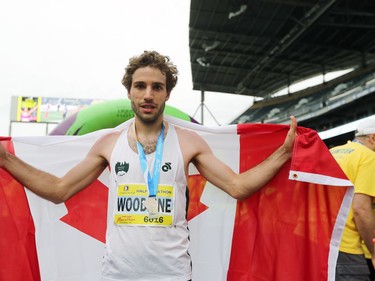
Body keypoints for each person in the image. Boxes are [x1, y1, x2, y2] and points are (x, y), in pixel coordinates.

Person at [0, 50, 297, 281]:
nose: (148, 94)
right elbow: (58, 189)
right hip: (118, 274)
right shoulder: (108, 144)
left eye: (157, 87)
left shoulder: (189, 142)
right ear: (129, 92)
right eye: (140, 86)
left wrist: (283, 154)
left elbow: (238, 186)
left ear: (167, 94)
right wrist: (6, 159)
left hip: (173, 274)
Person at [330, 119, 375, 281]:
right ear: (373, 138)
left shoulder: (333, 152)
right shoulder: (369, 157)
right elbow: (361, 209)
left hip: (319, 243)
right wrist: (374, 251)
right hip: (349, 248)